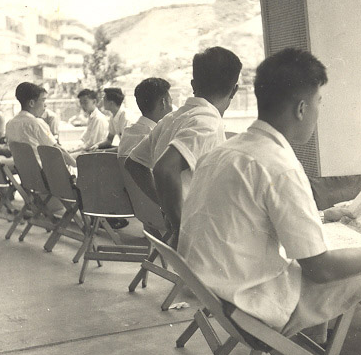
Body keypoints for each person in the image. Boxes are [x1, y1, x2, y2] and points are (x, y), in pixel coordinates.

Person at [177, 48, 361, 344]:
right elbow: (321, 269)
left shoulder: (223, 152)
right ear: (302, 109)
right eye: (319, 102)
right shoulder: (280, 166)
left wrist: (320, 218)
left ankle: (319, 342)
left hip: (219, 295)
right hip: (257, 306)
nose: (319, 112)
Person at [125, 47, 242, 242]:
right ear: (235, 90)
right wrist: (180, 225)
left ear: (193, 84)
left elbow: (134, 164)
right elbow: (164, 168)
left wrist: (166, 205)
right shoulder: (207, 122)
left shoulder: (172, 118)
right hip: (202, 232)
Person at [6, 82, 75, 167]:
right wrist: (78, 166)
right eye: (43, 100)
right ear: (31, 103)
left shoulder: (10, 124)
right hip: (46, 175)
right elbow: (58, 151)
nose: (45, 105)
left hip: (27, 174)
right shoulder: (37, 123)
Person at [117, 77, 173, 157]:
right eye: (171, 101)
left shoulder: (128, 132)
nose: (172, 108)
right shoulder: (157, 139)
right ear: (163, 103)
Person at [68, 89, 109, 156]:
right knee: (67, 155)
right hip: (90, 151)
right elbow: (85, 139)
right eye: (81, 103)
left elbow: (92, 143)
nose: (83, 105)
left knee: (67, 158)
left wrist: (75, 150)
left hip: (96, 154)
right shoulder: (91, 117)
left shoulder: (98, 118)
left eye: (85, 102)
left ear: (94, 102)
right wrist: (74, 149)